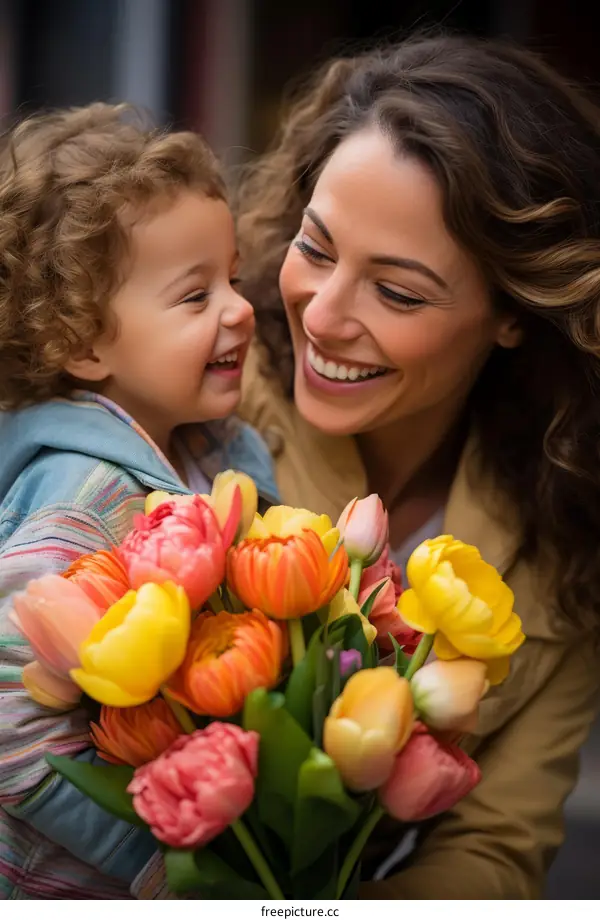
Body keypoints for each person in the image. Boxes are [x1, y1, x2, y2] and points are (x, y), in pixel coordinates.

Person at [238, 34, 600, 898]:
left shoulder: (567, 531)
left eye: (396, 292)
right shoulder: (195, 405)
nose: (322, 317)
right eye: (315, 247)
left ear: (514, 314)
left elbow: (494, 850)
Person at [0, 103, 277, 899]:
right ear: (82, 342)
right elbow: (15, 733)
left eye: (231, 275)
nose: (238, 307)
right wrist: (160, 867)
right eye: (196, 296)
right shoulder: (78, 505)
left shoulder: (219, 450)